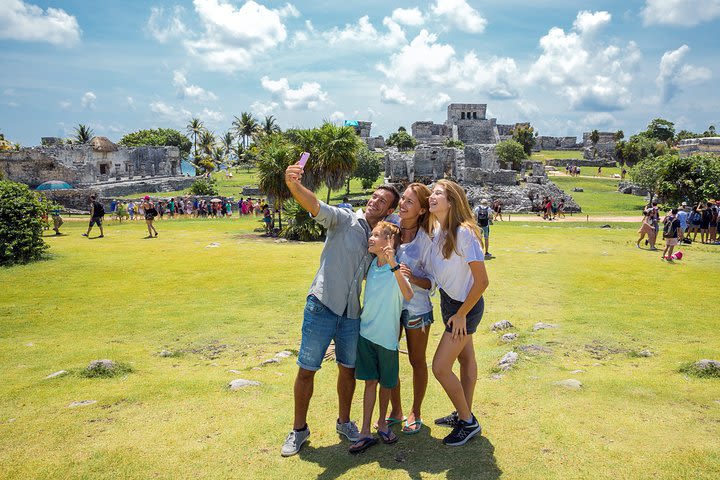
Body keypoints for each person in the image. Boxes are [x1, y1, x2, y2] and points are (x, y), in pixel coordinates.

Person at [280, 160, 400, 457]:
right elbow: (316, 205)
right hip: (322, 305)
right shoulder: (344, 219)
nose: (375, 201)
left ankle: (344, 422)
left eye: (382, 201)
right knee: (307, 370)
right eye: (374, 196)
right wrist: (294, 185)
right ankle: (298, 430)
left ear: (388, 211)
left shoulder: (380, 240)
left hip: (350, 314)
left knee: (348, 371)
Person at [428, 180, 489, 447]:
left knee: (440, 367)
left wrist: (462, 313)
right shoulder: (441, 230)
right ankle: (464, 412)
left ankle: (468, 421)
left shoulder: (464, 233)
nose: (431, 196)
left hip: (466, 307)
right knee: (466, 360)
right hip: (450, 304)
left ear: (451, 201)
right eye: (431, 192)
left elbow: (482, 281)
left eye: (437, 193)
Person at [349, 222, 414, 453]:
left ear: (389, 241)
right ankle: (366, 430)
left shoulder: (398, 269)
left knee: (386, 384)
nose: (371, 238)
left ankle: (383, 424)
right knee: (369, 382)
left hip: (387, 339)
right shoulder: (371, 267)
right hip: (366, 334)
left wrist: (395, 265)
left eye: (376, 235)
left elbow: (408, 293)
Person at [384, 183, 434, 435]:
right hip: (390, 308)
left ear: (423, 209)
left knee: (417, 361)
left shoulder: (427, 241)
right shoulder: (389, 229)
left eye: (410, 202)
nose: (402, 204)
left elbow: (431, 283)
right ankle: (396, 410)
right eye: (402, 199)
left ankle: (416, 410)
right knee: (390, 360)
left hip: (417, 309)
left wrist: (412, 277)